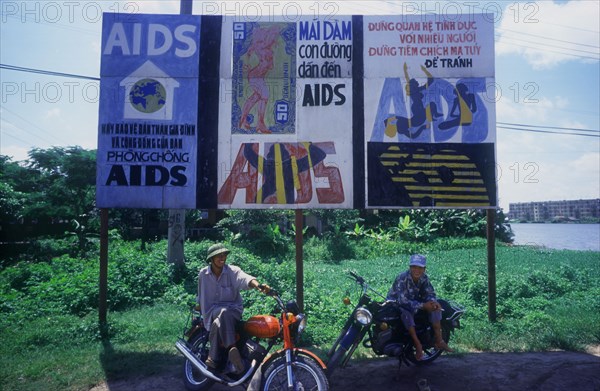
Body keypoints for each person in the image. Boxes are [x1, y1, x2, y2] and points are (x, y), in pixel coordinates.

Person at [197, 243, 270, 374]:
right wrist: (199, 305)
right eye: (219, 255)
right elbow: (200, 292)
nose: (222, 257)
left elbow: (245, 278)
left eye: (224, 255)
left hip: (233, 311)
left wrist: (258, 286)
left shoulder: (233, 271)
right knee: (221, 314)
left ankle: (213, 358)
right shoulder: (203, 274)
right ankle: (232, 349)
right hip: (213, 311)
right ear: (211, 259)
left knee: (219, 320)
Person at [387, 254, 453, 361]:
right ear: (410, 267)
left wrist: (432, 302)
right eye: (414, 267)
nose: (416, 270)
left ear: (424, 269)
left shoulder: (424, 278)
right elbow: (402, 301)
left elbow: (430, 292)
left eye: (420, 267)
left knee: (435, 307)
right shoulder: (402, 278)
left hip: (415, 302)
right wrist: (422, 305)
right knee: (406, 314)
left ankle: (439, 340)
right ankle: (418, 345)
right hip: (396, 304)